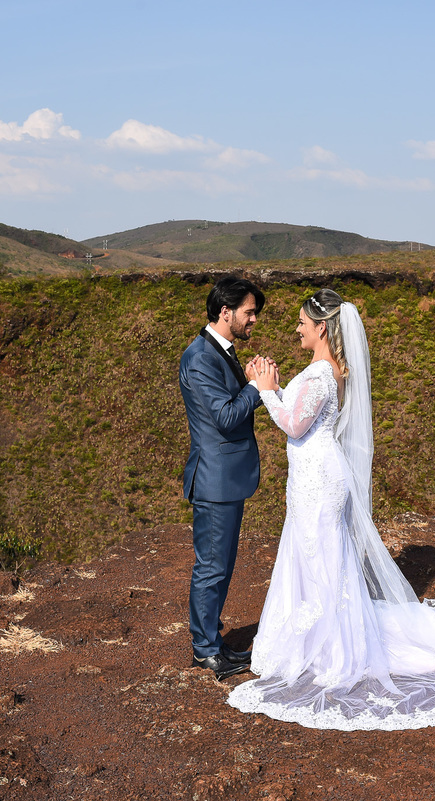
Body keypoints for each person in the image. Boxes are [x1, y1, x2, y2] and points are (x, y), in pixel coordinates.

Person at [226, 289, 435, 730]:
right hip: (316, 476)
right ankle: (322, 636)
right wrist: (273, 385)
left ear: (322, 328)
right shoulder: (329, 372)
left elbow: (293, 423)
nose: (297, 328)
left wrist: (266, 390)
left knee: (320, 556)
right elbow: (303, 414)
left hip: (318, 481)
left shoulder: (320, 374)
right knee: (318, 555)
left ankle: (331, 647)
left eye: (303, 322)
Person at [179, 276, 270, 681]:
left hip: (225, 477)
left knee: (221, 565)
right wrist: (255, 386)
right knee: (212, 567)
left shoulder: (220, 351)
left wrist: (248, 382)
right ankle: (205, 652)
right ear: (225, 311)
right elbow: (226, 417)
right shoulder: (200, 357)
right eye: (250, 313)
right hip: (215, 479)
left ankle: (214, 643)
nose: (254, 321)